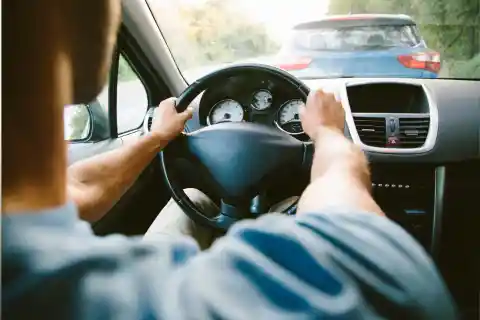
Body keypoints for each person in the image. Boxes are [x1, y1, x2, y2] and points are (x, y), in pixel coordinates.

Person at [2, 1, 456, 319]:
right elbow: (352, 214)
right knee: (199, 196)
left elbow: (76, 189)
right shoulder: (336, 289)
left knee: (198, 197)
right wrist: (327, 134)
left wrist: (159, 139)